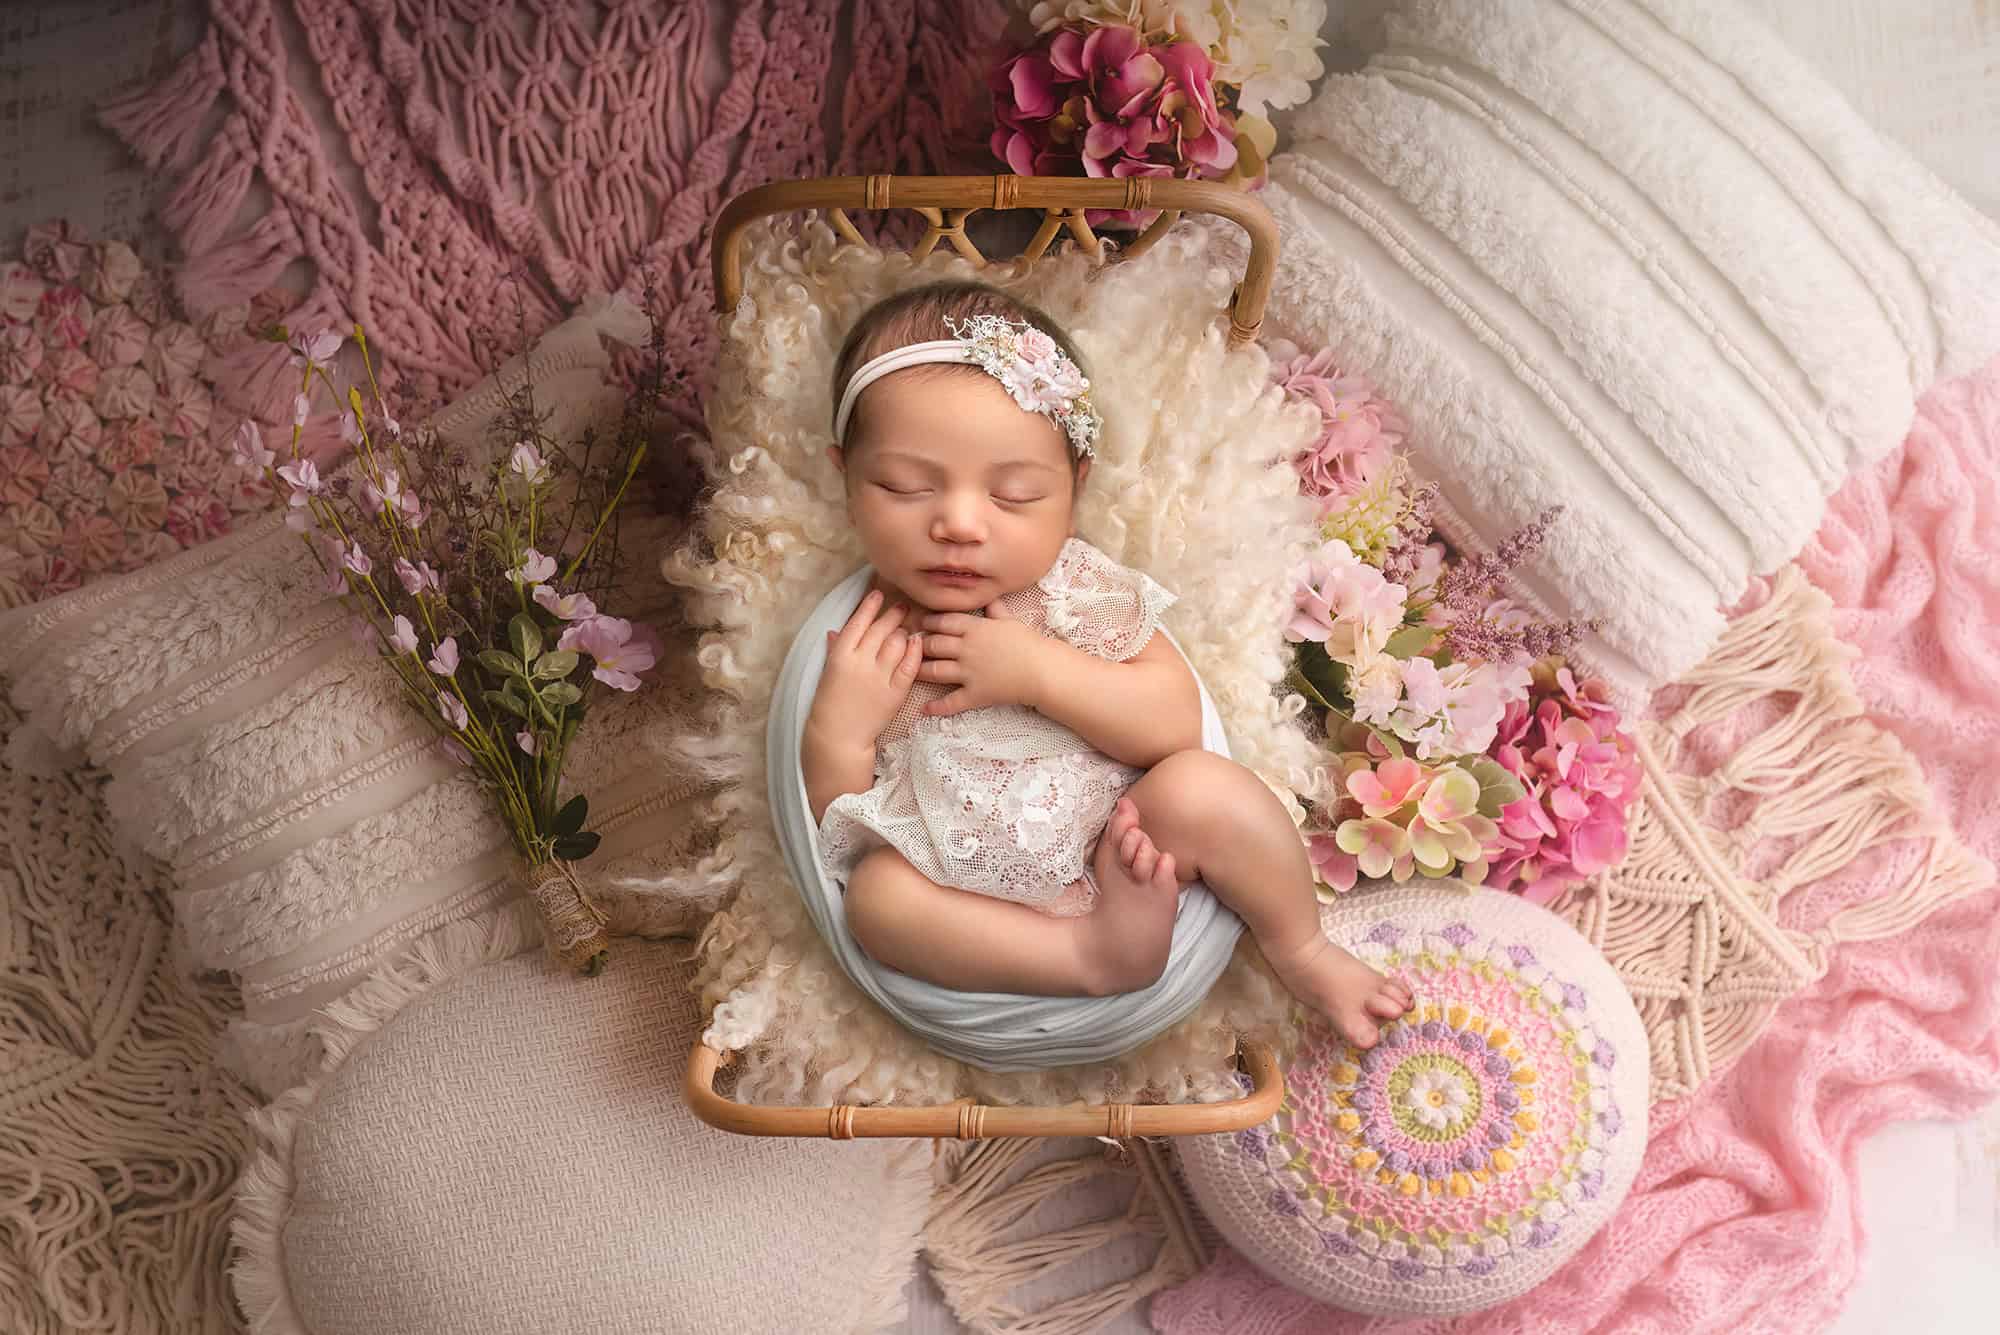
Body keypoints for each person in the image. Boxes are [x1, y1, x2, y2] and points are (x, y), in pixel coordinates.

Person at [802, 280, 1412, 1048]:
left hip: (1123, 845)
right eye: (906, 487)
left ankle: (1304, 949)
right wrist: (840, 733)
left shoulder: (1070, 590)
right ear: (847, 480)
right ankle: (1090, 955)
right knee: (877, 899)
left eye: (1014, 494)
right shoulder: (870, 639)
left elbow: (1174, 722)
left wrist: (1041, 673)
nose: (957, 522)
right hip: (972, 906)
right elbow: (837, 833)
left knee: (1204, 789)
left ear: (1073, 490)